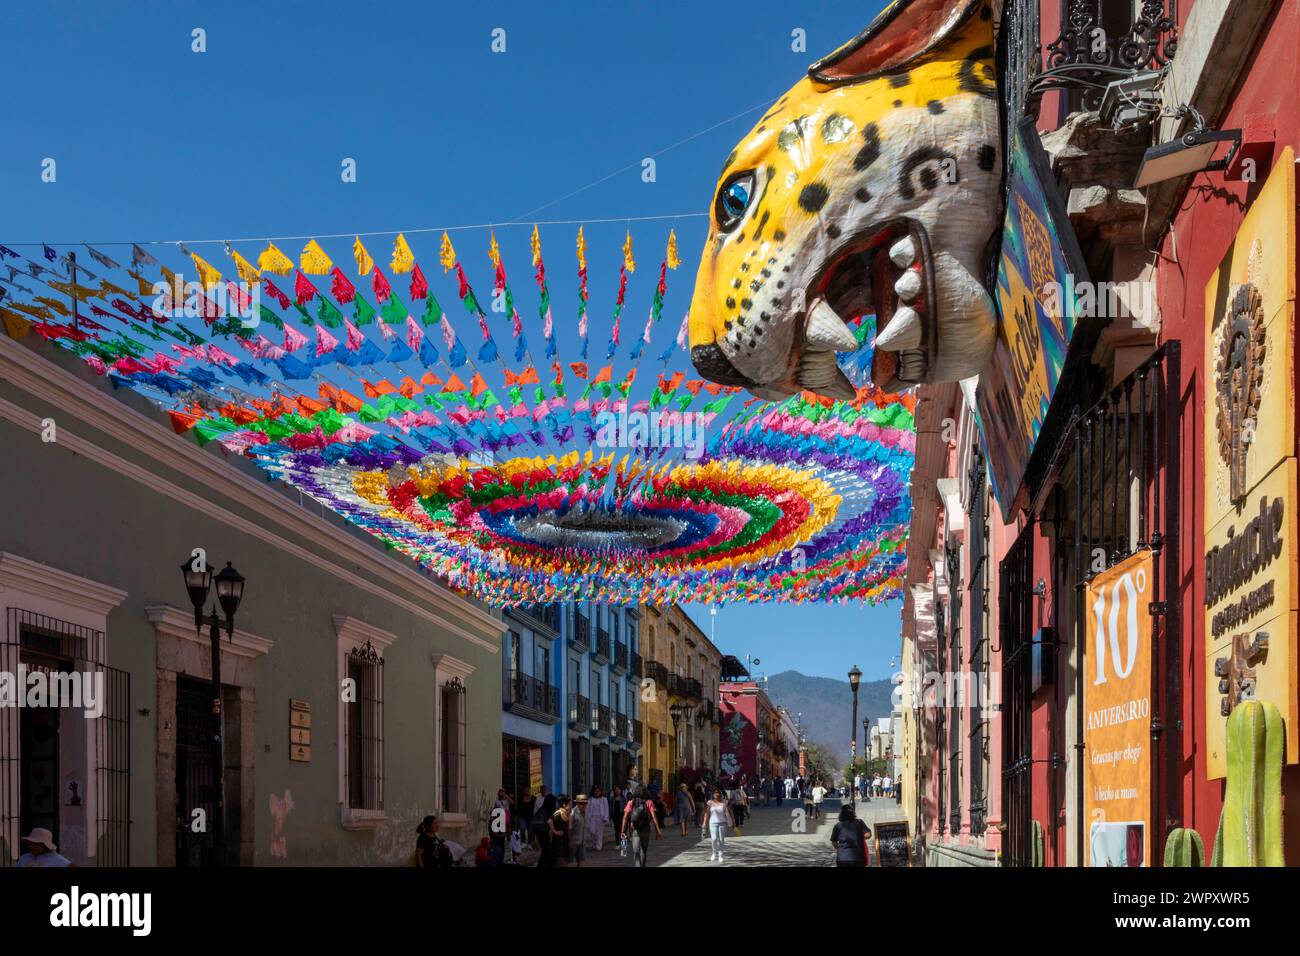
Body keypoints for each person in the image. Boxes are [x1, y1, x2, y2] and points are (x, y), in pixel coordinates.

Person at [620, 786, 662, 867]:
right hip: (646, 829)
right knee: (643, 850)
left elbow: (625, 817)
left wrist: (622, 831)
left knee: (636, 851)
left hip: (635, 829)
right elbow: (654, 817)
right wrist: (658, 830)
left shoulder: (631, 802)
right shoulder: (649, 802)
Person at [704, 786, 734, 862]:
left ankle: (720, 855)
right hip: (713, 823)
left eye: (718, 793)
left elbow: (730, 811)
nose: (716, 794)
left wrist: (733, 819)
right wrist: (704, 823)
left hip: (723, 823)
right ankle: (714, 853)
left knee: (721, 839)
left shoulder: (724, 802)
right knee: (714, 839)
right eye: (715, 793)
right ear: (713, 794)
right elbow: (706, 813)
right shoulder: (710, 802)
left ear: (720, 794)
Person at [586, 784, 610, 851]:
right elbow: (587, 810)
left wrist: (606, 817)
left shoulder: (604, 799)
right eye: (596, 791)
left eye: (599, 791)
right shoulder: (590, 800)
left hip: (600, 818)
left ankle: (599, 846)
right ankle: (594, 843)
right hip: (592, 818)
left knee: (599, 833)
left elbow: (606, 809)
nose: (597, 793)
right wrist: (586, 818)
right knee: (592, 832)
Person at [571, 795, 589, 867]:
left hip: (582, 839)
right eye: (581, 803)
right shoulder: (573, 812)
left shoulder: (587, 812)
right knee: (570, 860)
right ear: (577, 803)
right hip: (574, 840)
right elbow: (569, 827)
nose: (584, 805)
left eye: (585, 803)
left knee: (580, 860)